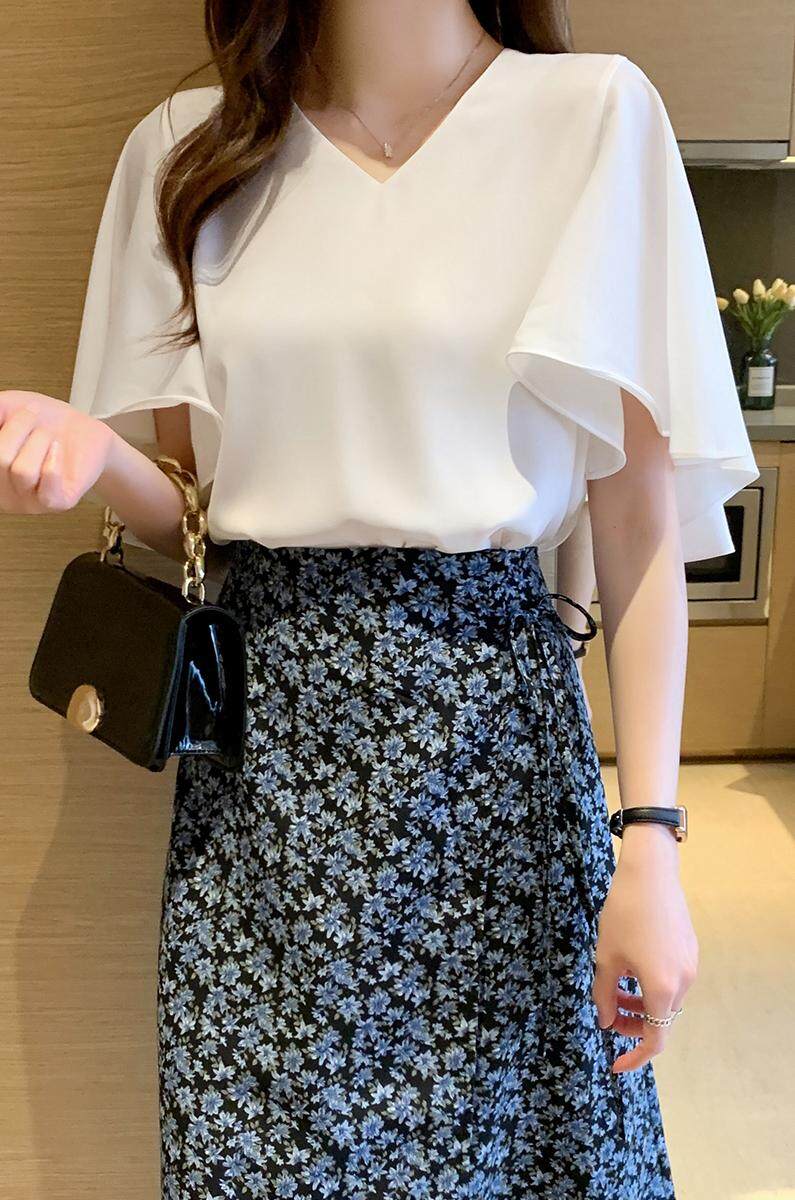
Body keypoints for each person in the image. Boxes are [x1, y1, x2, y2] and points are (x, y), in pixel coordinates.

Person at [0, 2, 759, 1196]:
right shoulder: (186, 149)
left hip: (498, 775)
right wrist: (96, 457)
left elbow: (637, 527)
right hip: (268, 790)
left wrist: (652, 846)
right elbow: (198, 517)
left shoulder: (594, 120)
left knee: (531, 1155)